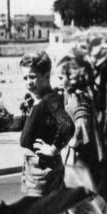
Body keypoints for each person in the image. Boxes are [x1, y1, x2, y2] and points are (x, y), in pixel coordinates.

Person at [18, 52, 74, 199]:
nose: (28, 82)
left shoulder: (50, 99)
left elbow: (67, 126)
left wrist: (53, 150)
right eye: (25, 78)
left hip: (42, 168)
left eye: (32, 77)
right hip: (35, 166)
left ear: (46, 76)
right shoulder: (38, 100)